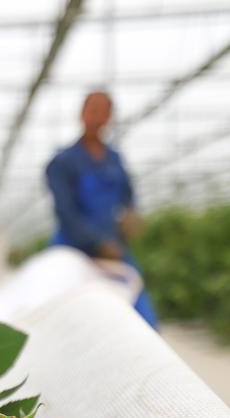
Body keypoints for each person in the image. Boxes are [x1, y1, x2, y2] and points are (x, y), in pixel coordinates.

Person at [45, 90, 158, 328]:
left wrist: (130, 216)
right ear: (81, 114)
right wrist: (97, 243)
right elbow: (65, 211)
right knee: (65, 314)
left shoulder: (114, 159)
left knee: (138, 309)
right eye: (92, 110)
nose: (97, 117)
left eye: (103, 112)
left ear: (110, 117)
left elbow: (128, 196)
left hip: (114, 247)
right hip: (73, 247)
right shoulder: (62, 162)